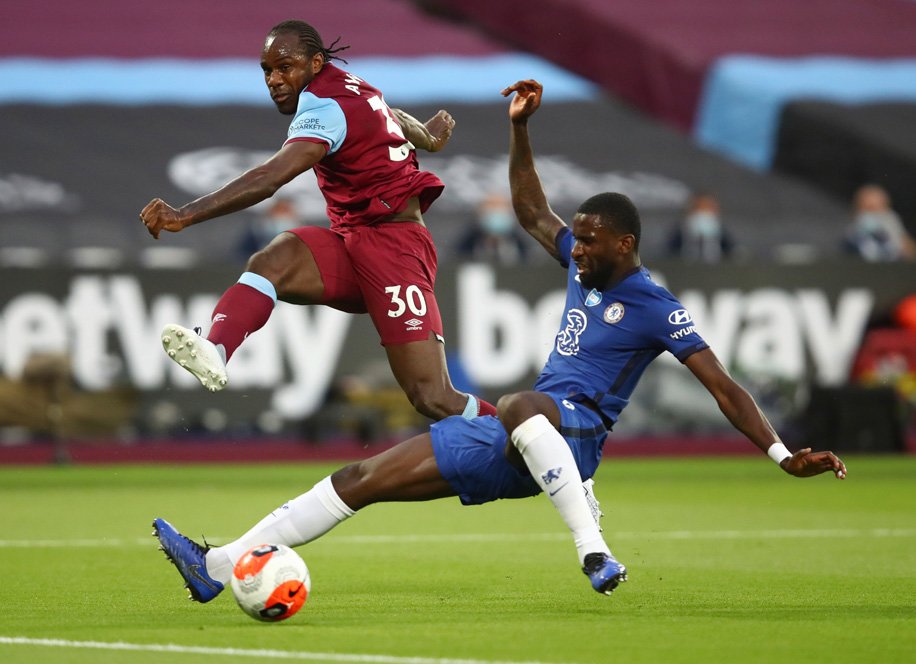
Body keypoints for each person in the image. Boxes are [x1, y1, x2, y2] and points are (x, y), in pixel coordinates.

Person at [152, 79, 847, 602]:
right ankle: (215, 569)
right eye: (577, 243)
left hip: (573, 431)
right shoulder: (585, 261)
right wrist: (520, 131)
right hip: (520, 432)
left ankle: (592, 545)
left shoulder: (654, 306)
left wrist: (781, 454)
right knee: (359, 480)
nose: (575, 253)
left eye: (591, 244)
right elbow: (530, 210)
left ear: (625, 245)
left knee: (517, 402)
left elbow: (721, 384)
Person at [140, 20, 494, 421]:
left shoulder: (324, 107)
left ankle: (533, 439)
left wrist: (184, 215)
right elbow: (388, 112)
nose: (274, 79)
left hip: (396, 249)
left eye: (284, 67)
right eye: (267, 70)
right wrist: (426, 137)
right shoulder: (350, 87)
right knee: (274, 260)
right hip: (354, 240)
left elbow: (270, 178)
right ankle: (217, 348)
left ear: (315, 62)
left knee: (434, 398)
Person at [842, 184, 916, 261]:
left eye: (878, 208)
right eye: (869, 208)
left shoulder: (890, 219)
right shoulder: (856, 228)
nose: (875, 214)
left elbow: (904, 243)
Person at [456, 191, 530, 264]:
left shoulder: (522, 246)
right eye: (491, 207)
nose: (496, 211)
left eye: (501, 207)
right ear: (480, 214)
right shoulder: (466, 244)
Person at [665, 192, 736, 263]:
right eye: (699, 208)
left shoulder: (723, 235)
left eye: (707, 208)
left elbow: (734, 253)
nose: (703, 213)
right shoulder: (679, 234)